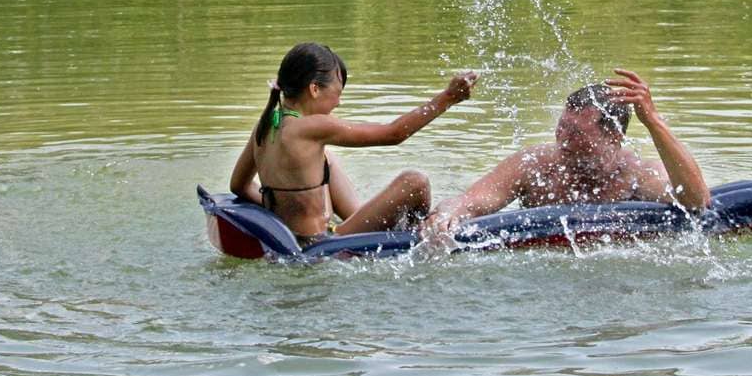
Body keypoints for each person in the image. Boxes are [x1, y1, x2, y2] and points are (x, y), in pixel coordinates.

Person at [229, 42, 477, 247]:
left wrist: (280, 213)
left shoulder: (267, 123)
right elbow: (394, 134)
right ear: (315, 89)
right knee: (415, 182)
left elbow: (238, 185)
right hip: (323, 243)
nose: (338, 102)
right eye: (337, 92)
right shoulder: (312, 127)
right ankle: (416, 242)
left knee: (328, 159)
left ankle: (364, 223)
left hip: (294, 237)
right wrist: (448, 98)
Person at [425, 69, 709, 237]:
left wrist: (653, 121)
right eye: (562, 127)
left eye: (576, 134)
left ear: (613, 136)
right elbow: (473, 200)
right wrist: (449, 213)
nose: (563, 140)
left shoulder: (637, 174)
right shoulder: (535, 164)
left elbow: (697, 201)